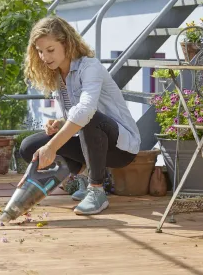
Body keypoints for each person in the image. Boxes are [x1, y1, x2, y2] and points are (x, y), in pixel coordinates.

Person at [19, 16, 141, 215]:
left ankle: (97, 190)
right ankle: (82, 178)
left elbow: (85, 111)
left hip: (121, 148)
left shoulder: (90, 67)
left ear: (67, 44)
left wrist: (52, 146)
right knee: (29, 147)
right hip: (90, 141)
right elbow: (75, 116)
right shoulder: (58, 75)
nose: (44, 57)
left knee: (87, 118)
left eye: (50, 50)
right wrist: (59, 124)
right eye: (40, 51)